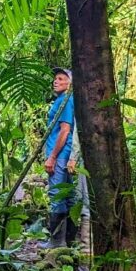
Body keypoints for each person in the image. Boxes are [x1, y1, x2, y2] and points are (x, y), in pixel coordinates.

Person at [44, 67, 76, 247]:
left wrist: (52, 157)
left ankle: (56, 242)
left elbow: (65, 131)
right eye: (55, 78)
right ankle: (69, 241)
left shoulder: (65, 101)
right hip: (63, 155)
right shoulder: (63, 100)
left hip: (60, 155)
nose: (56, 81)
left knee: (57, 195)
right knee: (68, 195)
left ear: (70, 83)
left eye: (61, 79)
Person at [68, 124, 91, 252]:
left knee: (86, 205)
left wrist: (73, 158)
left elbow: (78, 130)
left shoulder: (84, 104)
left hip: (88, 157)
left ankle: (86, 252)